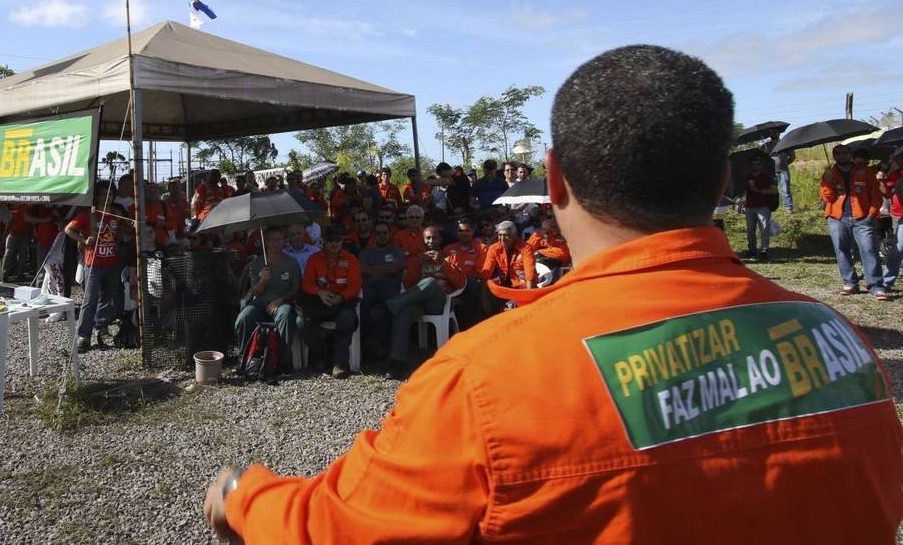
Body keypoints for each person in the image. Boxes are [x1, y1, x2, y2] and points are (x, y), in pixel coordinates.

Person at [204, 45, 903, 543]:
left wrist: (245, 496)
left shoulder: (483, 382)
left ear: (554, 180)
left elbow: (336, 530)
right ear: (723, 181)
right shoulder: (843, 342)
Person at [382, 225, 465, 380]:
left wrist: (444, 265)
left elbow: (461, 283)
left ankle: (391, 305)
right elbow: (407, 285)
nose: (431, 241)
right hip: (420, 303)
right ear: (423, 240)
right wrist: (416, 266)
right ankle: (396, 364)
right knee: (404, 315)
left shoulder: (449, 256)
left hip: (439, 302)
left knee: (430, 282)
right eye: (427, 238)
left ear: (440, 239)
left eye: (434, 237)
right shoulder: (418, 259)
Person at [820, 144, 887, 300]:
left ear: (849, 154)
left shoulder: (865, 171)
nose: (841, 156)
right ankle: (850, 283)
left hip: (862, 217)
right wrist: (829, 182)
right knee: (841, 250)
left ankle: (876, 286)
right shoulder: (829, 174)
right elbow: (827, 198)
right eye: (838, 153)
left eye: (844, 152)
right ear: (834, 156)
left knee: (868, 250)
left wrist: (871, 213)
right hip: (837, 218)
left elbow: (876, 194)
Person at [65, 182, 127, 351]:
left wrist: (119, 239)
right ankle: (83, 336)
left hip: (112, 263)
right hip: (93, 264)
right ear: (97, 196)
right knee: (89, 300)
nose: (107, 197)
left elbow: (123, 229)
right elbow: (69, 229)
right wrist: (83, 241)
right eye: (103, 194)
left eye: (110, 194)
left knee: (107, 299)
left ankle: (101, 329)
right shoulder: (89, 214)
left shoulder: (116, 214)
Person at [296, 225, 361, 379]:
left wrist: (341, 297)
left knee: (346, 320)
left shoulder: (351, 259)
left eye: (337, 240)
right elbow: (307, 284)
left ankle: (340, 363)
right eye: (330, 240)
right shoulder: (314, 259)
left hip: (342, 301)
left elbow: (355, 285)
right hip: (319, 301)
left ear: (342, 241)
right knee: (301, 322)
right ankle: (321, 356)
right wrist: (320, 292)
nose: (334, 244)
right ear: (324, 241)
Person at [235, 226, 300, 360]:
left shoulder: (292, 263)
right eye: (271, 239)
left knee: (286, 315)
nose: (275, 243)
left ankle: (283, 359)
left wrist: (280, 300)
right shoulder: (257, 263)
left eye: (279, 239)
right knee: (243, 318)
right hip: (260, 303)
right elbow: (256, 292)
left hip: (281, 303)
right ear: (265, 241)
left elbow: (295, 288)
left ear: (284, 241)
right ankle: (245, 357)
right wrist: (263, 281)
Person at [357, 220, 407, 362]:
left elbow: (395, 268)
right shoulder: (365, 252)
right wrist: (384, 270)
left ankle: (374, 346)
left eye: (385, 232)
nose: (382, 236)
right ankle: (370, 346)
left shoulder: (397, 251)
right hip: (369, 291)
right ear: (373, 235)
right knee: (362, 309)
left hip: (391, 291)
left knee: (385, 311)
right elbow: (362, 269)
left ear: (390, 234)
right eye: (378, 233)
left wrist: (372, 269)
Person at [440, 217, 487, 328]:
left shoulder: (482, 249)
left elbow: (479, 274)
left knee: (472, 283)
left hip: (469, 288)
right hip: (450, 287)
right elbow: (442, 271)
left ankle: (465, 329)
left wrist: (459, 282)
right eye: (460, 231)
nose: (463, 233)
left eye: (467, 230)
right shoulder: (447, 249)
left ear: (473, 232)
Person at [479, 220, 536, 289]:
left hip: (522, 287)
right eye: (500, 235)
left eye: (506, 235)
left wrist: (529, 295)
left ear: (515, 236)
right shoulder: (493, 249)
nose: (502, 239)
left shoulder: (526, 248)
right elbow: (486, 274)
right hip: (503, 287)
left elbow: (530, 275)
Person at [743, 155, 777, 260]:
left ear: (761, 165)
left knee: (764, 230)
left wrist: (760, 191)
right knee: (750, 231)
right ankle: (752, 250)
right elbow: (742, 192)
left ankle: (764, 251)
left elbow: (774, 190)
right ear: (749, 165)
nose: (755, 166)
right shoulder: (746, 177)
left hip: (763, 206)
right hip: (749, 206)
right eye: (753, 164)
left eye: (757, 164)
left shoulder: (767, 176)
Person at [881, 148, 903, 291]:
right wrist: (881, 181)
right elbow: (887, 193)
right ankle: (886, 282)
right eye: (897, 158)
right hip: (900, 216)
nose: (897, 160)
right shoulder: (895, 175)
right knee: (897, 249)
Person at [1, 203, 32, 282]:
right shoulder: (9, 205)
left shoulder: (26, 205)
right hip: (11, 233)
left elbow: (30, 217)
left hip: (24, 233)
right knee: (8, 254)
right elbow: (4, 218)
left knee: (22, 255)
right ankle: (4, 274)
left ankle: (19, 274)